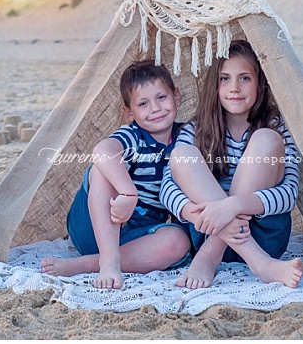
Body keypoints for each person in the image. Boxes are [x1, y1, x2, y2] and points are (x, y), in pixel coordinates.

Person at [160, 40, 303, 289]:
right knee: (181, 154)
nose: (234, 88)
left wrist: (233, 205)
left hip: (263, 233)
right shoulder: (196, 129)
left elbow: (290, 193)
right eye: (225, 78)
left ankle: (212, 255)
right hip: (206, 230)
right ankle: (260, 264)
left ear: (260, 85)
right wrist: (203, 215)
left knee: (266, 139)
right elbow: (167, 188)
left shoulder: (275, 126)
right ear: (214, 85)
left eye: (245, 78)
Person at [41, 59, 191, 289]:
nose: (155, 108)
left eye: (161, 97)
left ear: (177, 97)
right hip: (95, 225)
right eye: (143, 104)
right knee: (103, 169)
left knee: (179, 241)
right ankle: (108, 260)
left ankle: (88, 264)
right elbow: (102, 150)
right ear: (129, 112)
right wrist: (128, 193)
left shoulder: (185, 138)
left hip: (139, 239)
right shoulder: (134, 136)